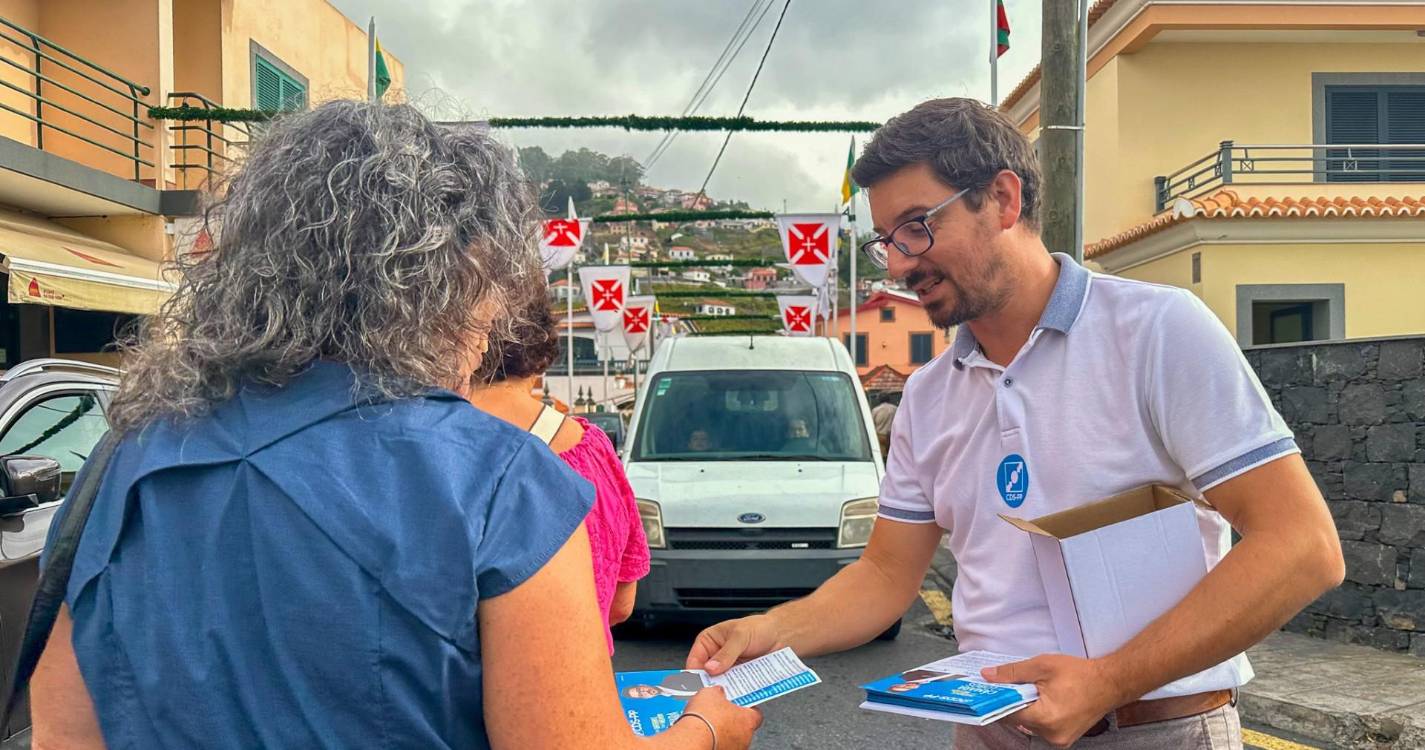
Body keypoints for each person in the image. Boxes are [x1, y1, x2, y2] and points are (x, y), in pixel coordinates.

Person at [30, 101, 760, 750]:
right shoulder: (499, 481)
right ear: (455, 275)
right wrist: (705, 730)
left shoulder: (133, 458)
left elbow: (66, 728)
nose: (492, 323)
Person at [685, 98, 1344, 749]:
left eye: (917, 226)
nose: (900, 263)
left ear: (1001, 198)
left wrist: (1106, 682)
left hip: (1156, 731)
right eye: (887, 240)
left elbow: (1300, 546)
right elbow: (885, 576)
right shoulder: (927, 396)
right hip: (989, 735)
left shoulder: (1157, 331)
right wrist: (773, 630)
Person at [468, 279, 649, 654]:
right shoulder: (593, 452)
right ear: (543, 348)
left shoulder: (432, 446)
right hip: (582, 686)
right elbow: (621, 603)